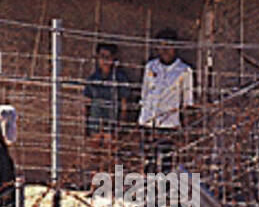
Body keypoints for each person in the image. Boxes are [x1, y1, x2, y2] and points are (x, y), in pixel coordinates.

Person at [138, 27, 194, 174]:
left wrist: (184, 125)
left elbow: (187, 101)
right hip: (148, 120)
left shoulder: (184, 71)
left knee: (166, 161)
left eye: (168, 46)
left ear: (175, 47)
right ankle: (148, 191)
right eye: (161, 46)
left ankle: (164, 193)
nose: (165, 50)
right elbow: (144, 93)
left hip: (169, 123)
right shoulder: (151, 66)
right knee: (148, 159)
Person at [83, 42, 131, 180]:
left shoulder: (119, 79)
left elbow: (124, 104)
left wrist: (121, 124)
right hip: (96, 119)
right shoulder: (93, 79)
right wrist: (86, 124)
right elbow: (87, 103)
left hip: (111, 118)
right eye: (102, 56)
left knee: (111, 154)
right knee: (95, 154)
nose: (104, 60)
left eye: (108, 56)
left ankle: (111, 185)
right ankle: (95, 184)